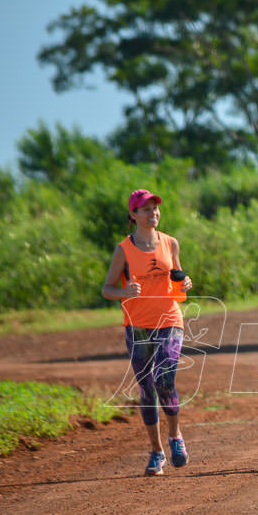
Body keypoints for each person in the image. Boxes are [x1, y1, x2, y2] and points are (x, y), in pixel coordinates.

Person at [102, 189, 193, 476]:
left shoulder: (170, 243)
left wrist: (185, 283)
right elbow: (107, 289)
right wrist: (124, 291)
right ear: (133, 215)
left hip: (169, 318)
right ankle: (156, 453)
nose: (152, 213)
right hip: (137, 324)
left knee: (164, 378)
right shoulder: (123, 250)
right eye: (145, 209)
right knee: (146, 388)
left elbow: (178, 283)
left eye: (155, 208)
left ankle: (175, 436)